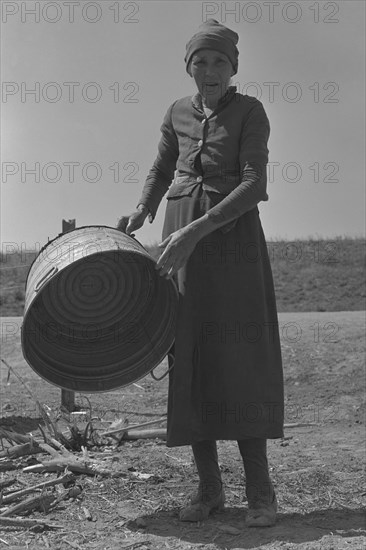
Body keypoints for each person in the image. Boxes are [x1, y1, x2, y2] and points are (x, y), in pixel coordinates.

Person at [117, 19, 284, 527]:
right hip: (178, 234)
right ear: (188, 67)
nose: (209, 70)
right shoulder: (176, 112)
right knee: (190, 353)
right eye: (200, 62)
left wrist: (196, 232)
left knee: (240, 355)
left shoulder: (250, 111)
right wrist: (143, 208)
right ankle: (209, 488)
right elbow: (163, 165)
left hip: (230, 241)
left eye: (218, 62)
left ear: (233, 68)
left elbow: (254, 185)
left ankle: (260, 491)